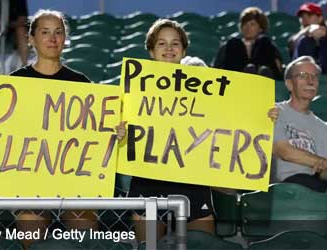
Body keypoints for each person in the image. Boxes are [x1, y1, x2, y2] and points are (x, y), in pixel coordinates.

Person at [0, 9, 101, 249]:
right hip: (30, 184)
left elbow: (95, 137)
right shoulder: (13, 84)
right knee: (30, 239)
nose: (52, 38)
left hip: (74, 183)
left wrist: (114, 134)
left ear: (65, 39)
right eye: (45, 32)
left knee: (86, 239)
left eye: (58, 32)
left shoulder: (82, 83)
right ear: (31, 39)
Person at [124, 19, 279, 242]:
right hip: (148, 188)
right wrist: (119, 132)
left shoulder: (206, 90)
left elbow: (234, 124)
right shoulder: (134, 89)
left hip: (194, 188)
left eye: (175, 43)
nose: (169, 49)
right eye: (161, 43)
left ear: (184, 50)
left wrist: (263, 118)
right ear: (151, 50)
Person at [271, 55, 327, 192]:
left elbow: (324, 174)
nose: (310, 81)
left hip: (313, 186)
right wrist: (320, 162)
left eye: (314, 76)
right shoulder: (274, 111)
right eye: (303, 75)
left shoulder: (323, 127)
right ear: (289, 84)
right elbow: (284, 151)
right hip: (282, 187)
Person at [213, 7, 283, 80]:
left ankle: (262, 76)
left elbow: (278, 69)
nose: (247, 27)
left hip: (263, 81)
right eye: (245, 24)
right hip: (235, 81)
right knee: (234, 42)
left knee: (264, 42)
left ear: (260, 28)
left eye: (252, 24)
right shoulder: (230, 45)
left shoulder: (268, 45)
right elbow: (217, 68)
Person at [289, 2, 327, 74]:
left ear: (320, 18)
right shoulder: (298, 38)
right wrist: (308, 29)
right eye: (301, 16)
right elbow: (292, 43)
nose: (304, 18)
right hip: (301, 74)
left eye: (309, 15)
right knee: (305, 40)